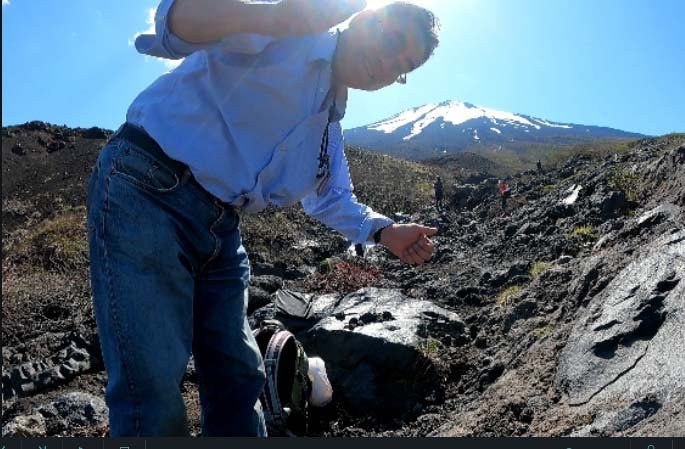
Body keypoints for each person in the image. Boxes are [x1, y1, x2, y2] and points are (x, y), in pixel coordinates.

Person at [87, 0, 440, 438]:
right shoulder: (293, 30)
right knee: (152, 390)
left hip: (220, 227)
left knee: (238, 378)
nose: (385, 65)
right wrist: (277, 17)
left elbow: (333, 199)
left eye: (401, 67)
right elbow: (174, 25)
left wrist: (386, 232)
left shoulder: (327, 127)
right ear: (366, 19)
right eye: (390, 42)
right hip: (146, 187)